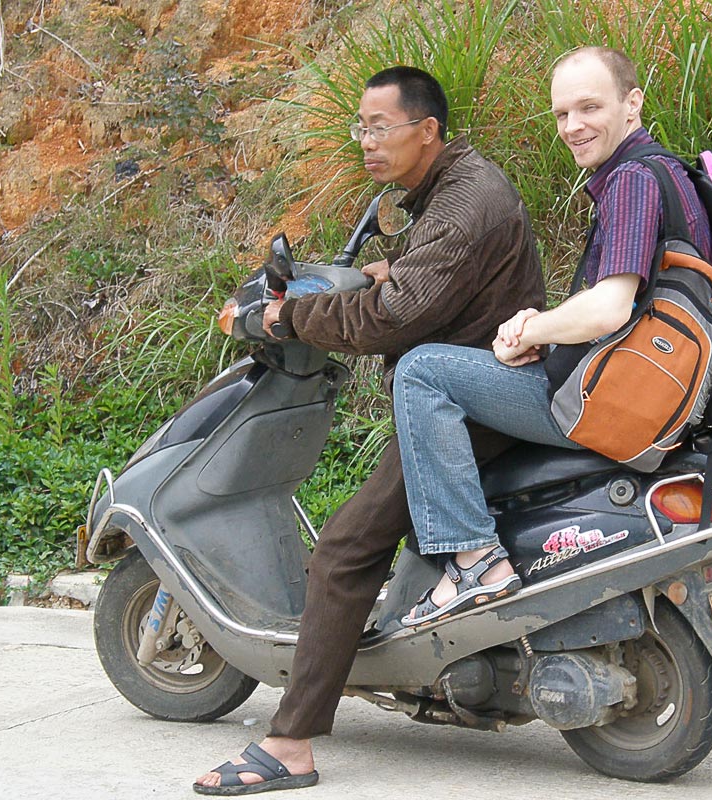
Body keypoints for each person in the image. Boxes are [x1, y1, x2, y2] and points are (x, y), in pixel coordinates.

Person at [193, 66, 545, 795]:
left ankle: (288, 744)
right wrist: (390, 268)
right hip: (475, 391)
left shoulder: (462, 204)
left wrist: (284, 317)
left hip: (469, 404)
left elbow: (394, 319)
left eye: (380, 126)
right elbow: (433, 283)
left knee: (346, 550)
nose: (366, 141)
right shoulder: (454, 190)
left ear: (428, 131)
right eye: (361, 126)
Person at [394, 47, 712, 627]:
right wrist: (550, 340)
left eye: (590, 107)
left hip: (623, 404)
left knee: (423, 371)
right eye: (562, 113)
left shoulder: (633, 182)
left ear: (632, 103)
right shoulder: (670, 172)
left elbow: (611, 309)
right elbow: (639, 309)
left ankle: (474, 563)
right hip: (655, 390)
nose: (573, 126)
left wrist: (530, 327)